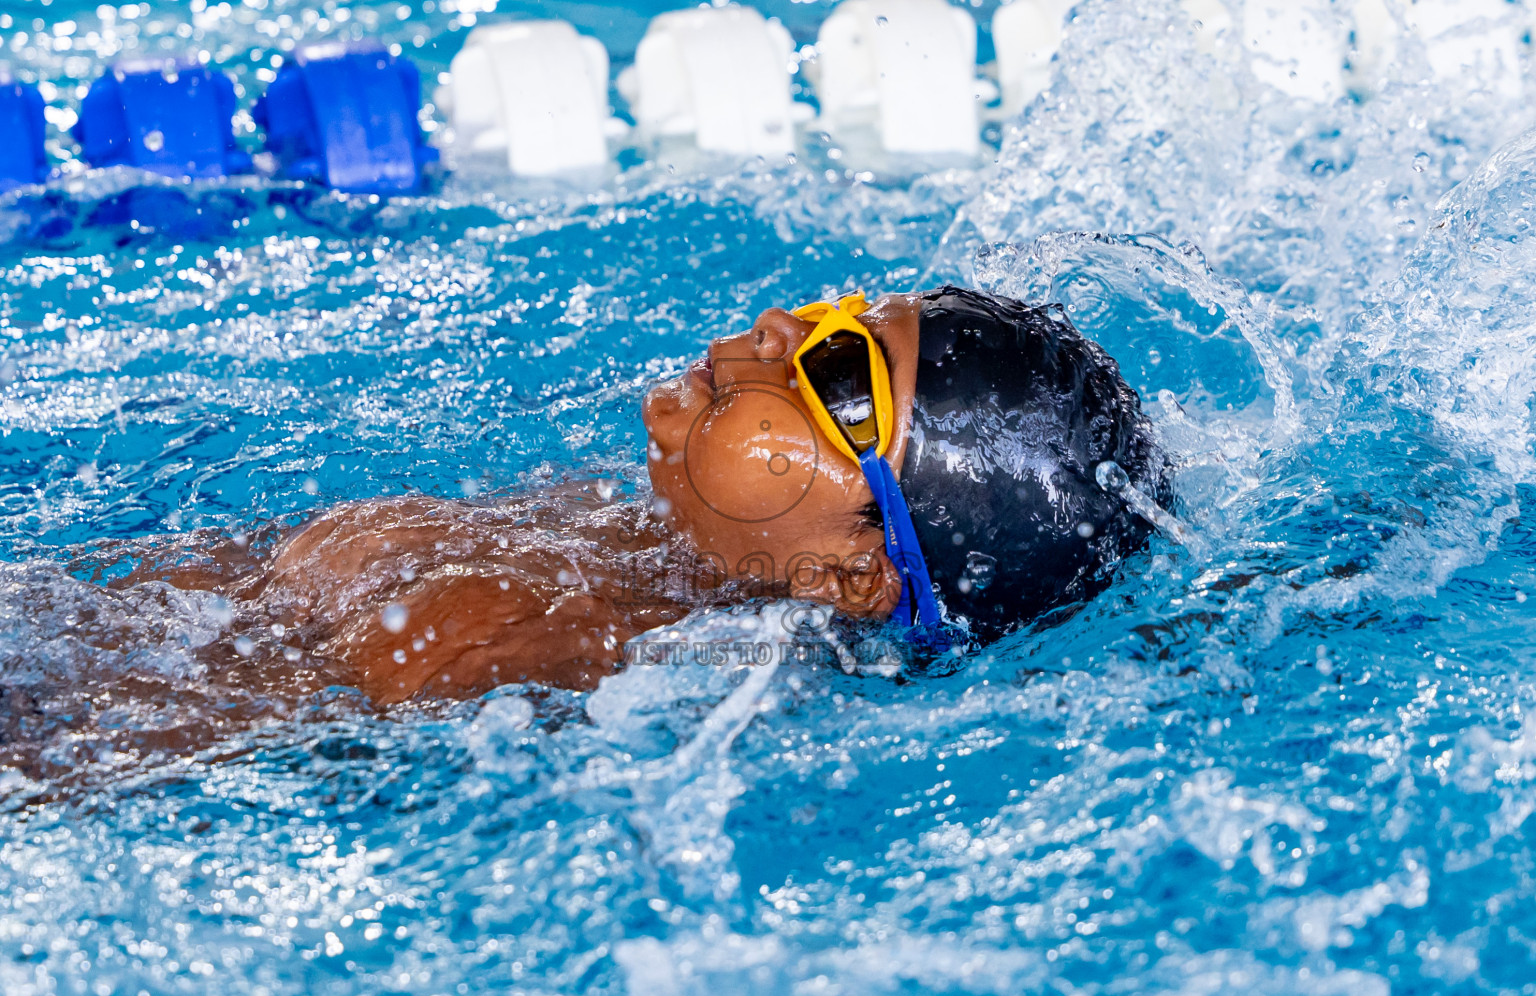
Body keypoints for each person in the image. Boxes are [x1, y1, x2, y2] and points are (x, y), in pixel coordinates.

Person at [130, 286, 1167, 705]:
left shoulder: (553, 652)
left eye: (840, 369)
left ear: (857, 569)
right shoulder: (604, 530)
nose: (778, 329)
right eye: (833, 314)